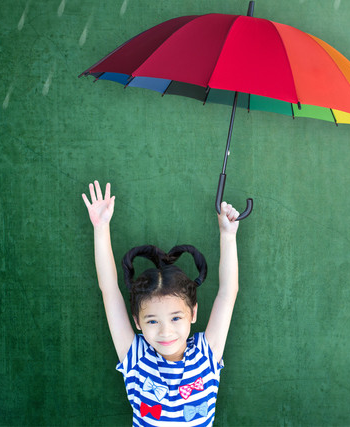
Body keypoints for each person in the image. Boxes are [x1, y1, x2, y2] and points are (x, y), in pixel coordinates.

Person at [82, 180, 240, 426]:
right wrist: (100, 229)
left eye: (176, 317)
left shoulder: (206, 354)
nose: (165, 331)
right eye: (152, 320)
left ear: (193, 313)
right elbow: (109, 290)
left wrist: (228, 236)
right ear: (137, 322)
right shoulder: (135, 357)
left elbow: (228, 292)